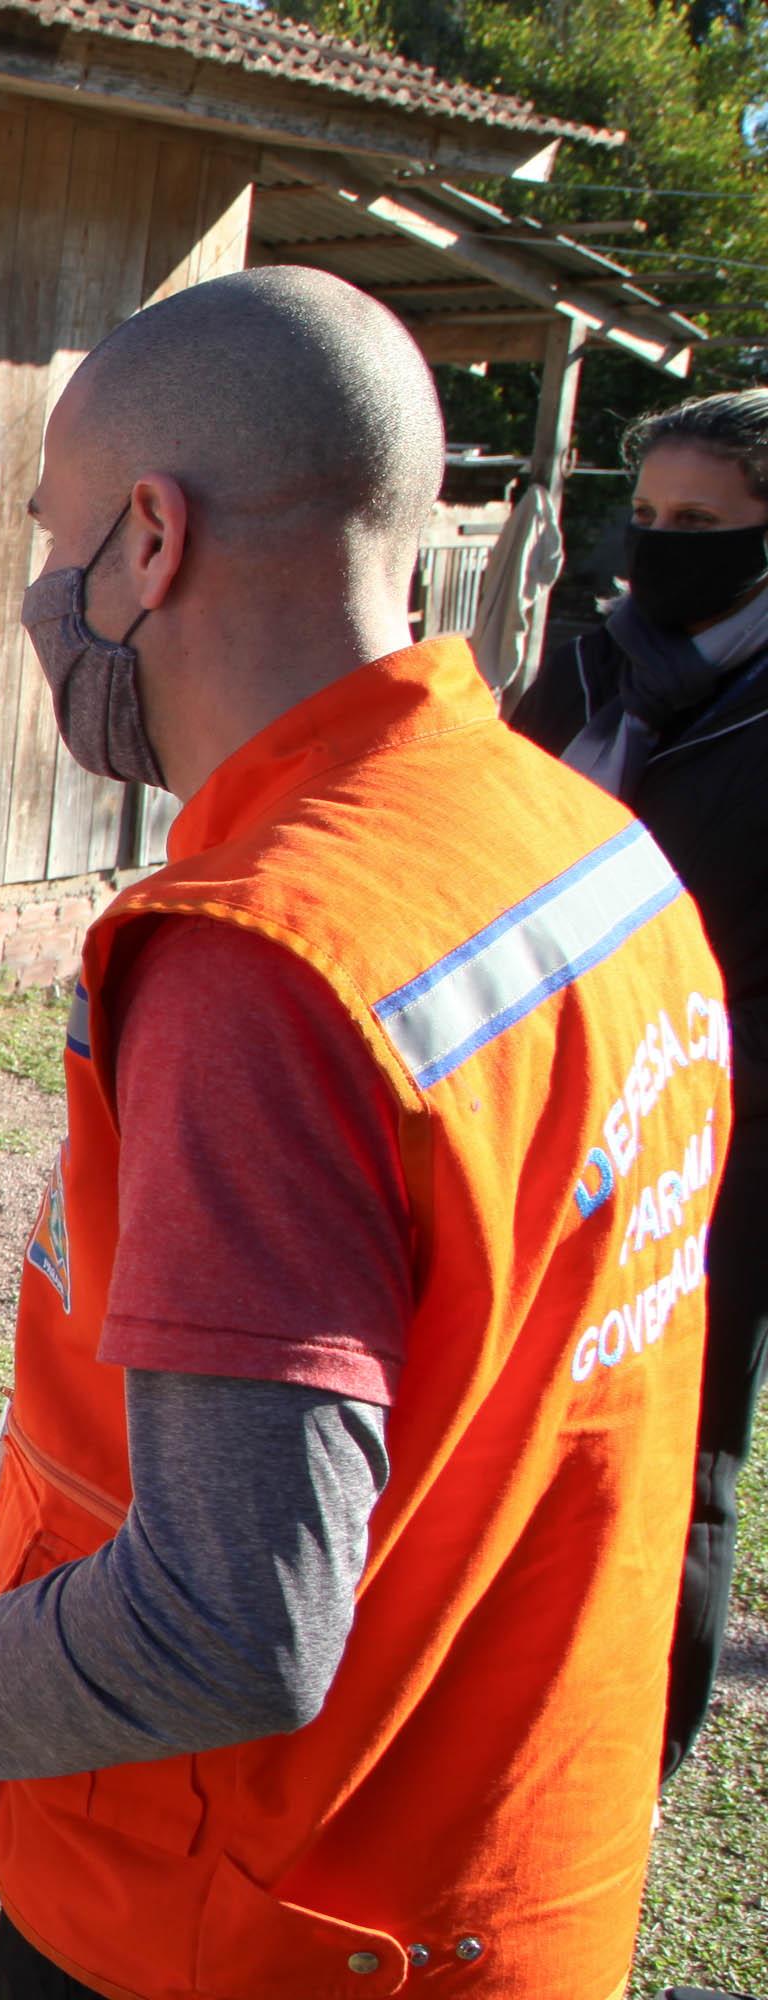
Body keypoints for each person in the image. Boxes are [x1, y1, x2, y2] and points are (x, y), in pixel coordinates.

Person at [0, 266, 724, 2000]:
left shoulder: (265, 956)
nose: (43, 595)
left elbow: (233, 1623)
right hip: (509, 1879)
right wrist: (72, 1463)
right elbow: (448, 1343)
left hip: (253, 1920)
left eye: (53, 542)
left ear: (151, 541)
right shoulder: (586, 846)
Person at [508, 391, 768, 1783]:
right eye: (650, 517)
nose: (661, 548)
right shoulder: (596, 663)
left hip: (718, 1116)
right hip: (554, 1088)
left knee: (677, 1435)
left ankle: (624, 1750)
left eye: (702, 525)